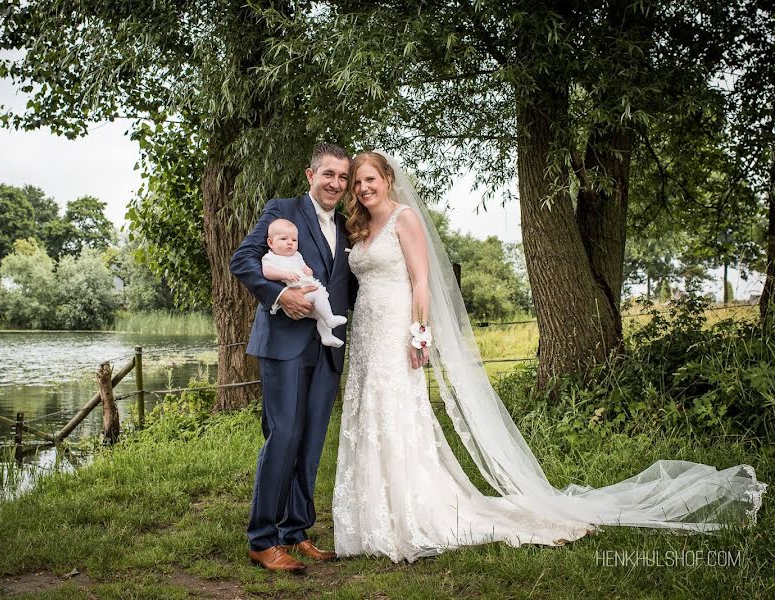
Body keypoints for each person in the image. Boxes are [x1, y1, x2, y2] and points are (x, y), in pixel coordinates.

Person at [333, 151, 766, 563]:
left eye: (370, 179)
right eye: (358, 182)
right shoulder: (360, 228)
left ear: (388, 179)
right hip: (367, 336)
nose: (364, 187)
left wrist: (419, 333)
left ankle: (410, 513)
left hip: (397, 333)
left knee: (396, 415)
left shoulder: (404, 220)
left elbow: (421, 281)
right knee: (367, 416)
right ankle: (372, 517)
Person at [230, 143, 358, 572]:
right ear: (311, 175)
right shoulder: (281, 210)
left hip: (327, 347)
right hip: (283, 345)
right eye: (329, 175)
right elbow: (244, 259)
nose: (336, 184)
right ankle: (262, 539)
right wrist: (280, 294)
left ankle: (296, 532)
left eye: (343, 178)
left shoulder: (346, 225)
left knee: (310, 441)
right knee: (283, 435)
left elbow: (349, 286)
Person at [261, 218, 348, 348]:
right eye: (284, 239)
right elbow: (267, 272)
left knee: (320, 314)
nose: (290, 243)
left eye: (294, 240)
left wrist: (307, 270)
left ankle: (327, 336)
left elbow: (303, 267)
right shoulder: (270, 258)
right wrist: (284, 274)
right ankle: (330, 319)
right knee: (318, 295)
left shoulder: (297, 255)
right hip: (295, 293)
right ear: (271, 242)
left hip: (306, 289)